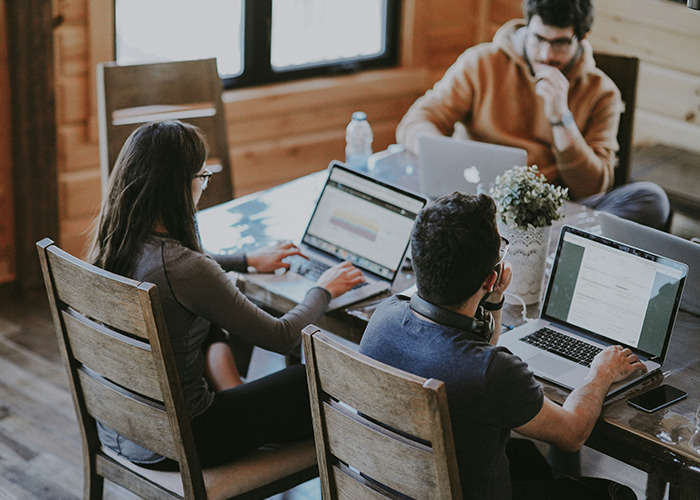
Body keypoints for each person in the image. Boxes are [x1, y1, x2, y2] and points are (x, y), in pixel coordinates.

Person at [87, 120, 365, 469]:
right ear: (180, 186)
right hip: (186, 439)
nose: (203, 186)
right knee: (307, 378)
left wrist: (246, 260)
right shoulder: (185, 269)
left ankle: (237, 394)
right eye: (202, 177)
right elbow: (280, 337)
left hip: (122, 427)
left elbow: (183, 271)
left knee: (207, 319)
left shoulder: (115, 243)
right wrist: (324, 288)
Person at [359, 192, 642, 499]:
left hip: (390, 486)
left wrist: (493, 301)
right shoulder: (492, 372)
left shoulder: (383, 318)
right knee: (617, 494)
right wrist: (601, 372)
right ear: (491, 277)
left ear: (418, 261)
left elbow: (475, 353)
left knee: (528, 460)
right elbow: (573, 433)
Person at [397, 0, 669, 230]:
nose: (546, 54)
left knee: (651, 199)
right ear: (527, 27)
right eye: (538, 38)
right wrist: (449, 157)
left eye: (560, 43)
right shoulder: (481, 63)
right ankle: (548, 250)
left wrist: (561, 117)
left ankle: (548, 248)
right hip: (478, 201)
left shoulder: (602, 92)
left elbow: (593, 187)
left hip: (554, 214)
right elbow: (416, 122)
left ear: (582, 38)